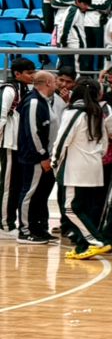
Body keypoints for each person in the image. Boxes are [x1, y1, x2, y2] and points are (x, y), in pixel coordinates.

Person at [52, 79, 111, 260]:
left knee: (70, 208)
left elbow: (63, 139)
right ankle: (82, 246)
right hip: (94, 167)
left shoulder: (73, 112)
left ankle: (97, 241)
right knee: (83, 208)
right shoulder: (97, 112)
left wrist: (54, 161)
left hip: (76, 168)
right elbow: (104, 144)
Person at [14, 71, 57, 244]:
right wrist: (43, 156)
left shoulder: (44, 101)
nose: (56, 85)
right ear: (47, 83)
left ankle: (37, 228)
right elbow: (33, 132)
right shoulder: (33, 102)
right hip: (34, 158)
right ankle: (24, 231)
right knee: (29, 193)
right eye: (55, 82)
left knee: (40, 195)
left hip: (45, 157)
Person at [0, 60, 37, 231]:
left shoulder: (25, 89)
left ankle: (9, 221)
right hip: (8, 144)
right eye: (29, 73)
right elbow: (1, 117)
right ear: (17, 74)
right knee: (8, 185)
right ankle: (4, 224)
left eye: (33, 72)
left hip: (18, 145)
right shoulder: (9, 89)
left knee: (15, 185)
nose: (33, 76)